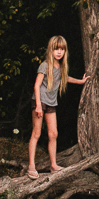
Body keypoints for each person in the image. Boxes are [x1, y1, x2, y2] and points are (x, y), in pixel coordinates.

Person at [27, 36, 87, 179]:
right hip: (40, 102)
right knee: (36, 134)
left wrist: (81, 81)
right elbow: (36, 85)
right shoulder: (45, 65)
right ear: (51, 50)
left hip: (52, 103)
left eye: (62, 49)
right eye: (56, 49)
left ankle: (53, 165)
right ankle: (31, 166)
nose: (59, 52)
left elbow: (65, 78)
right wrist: (39, 107)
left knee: (53, 134)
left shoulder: (61, 67)